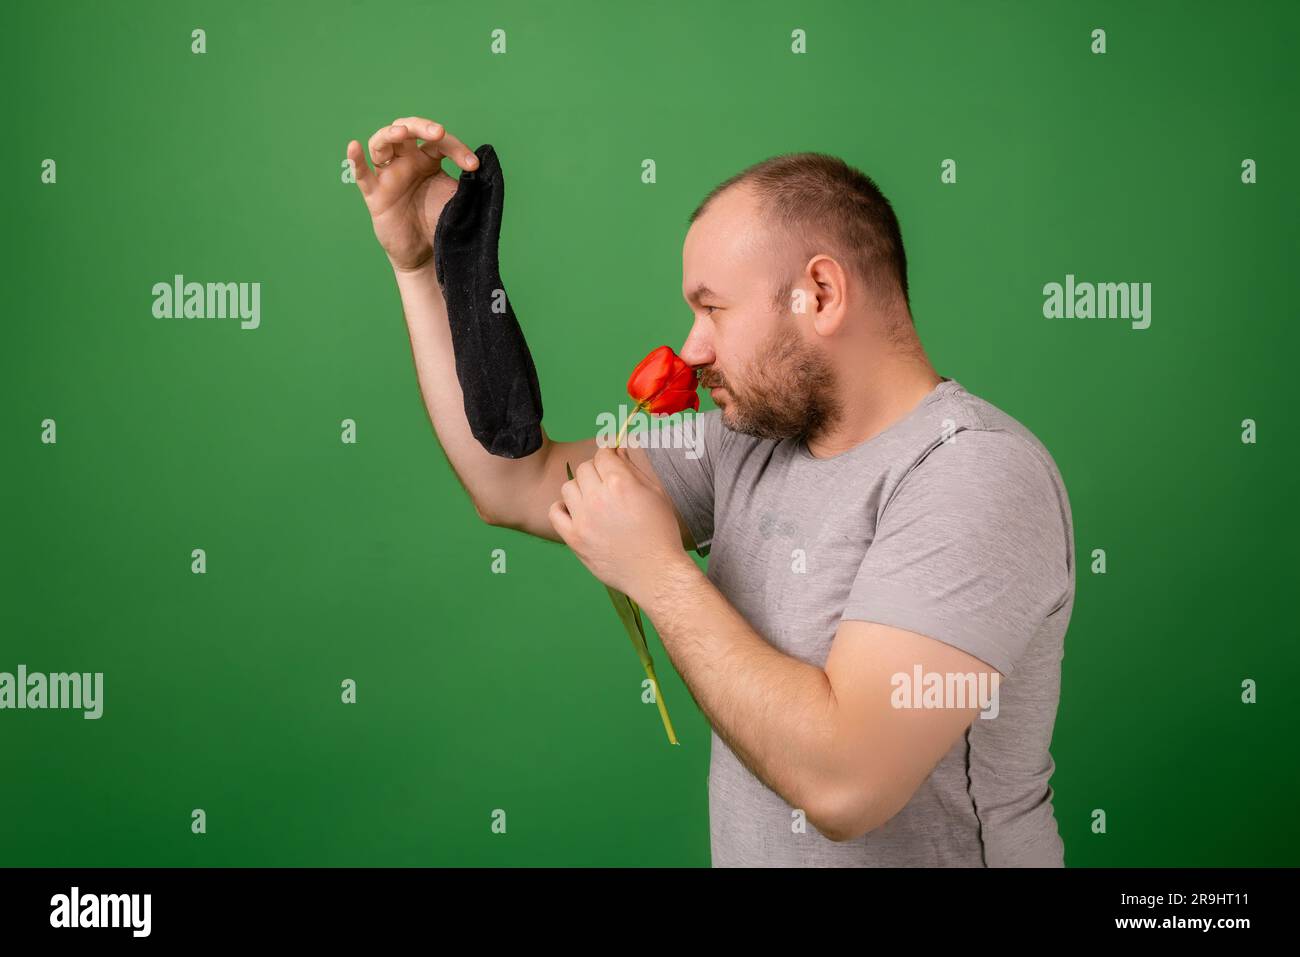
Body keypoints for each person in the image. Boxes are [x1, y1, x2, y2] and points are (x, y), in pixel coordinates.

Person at [346, 117, 1076, 867]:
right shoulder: (747, 444)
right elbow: (514, 481)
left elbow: (847, 784)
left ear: (819, 293)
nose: (691, 349)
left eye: (712, 307)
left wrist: (659, 575)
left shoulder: (974, 474)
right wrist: (429, 266)